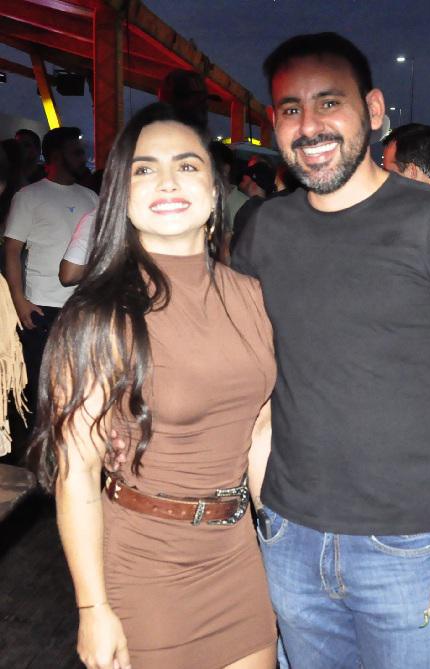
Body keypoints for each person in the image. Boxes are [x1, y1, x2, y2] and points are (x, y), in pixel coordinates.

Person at [232, 32, 430, 667]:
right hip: (288, 533)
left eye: (329, 102)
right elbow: (253, 385)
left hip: (404, 543)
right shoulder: (264, 229)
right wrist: (255, 517)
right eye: (291, 109)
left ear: (375, 109)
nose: (309, 126)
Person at [28, 103, 278, 669]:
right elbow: (76, 473)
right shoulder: (100, 315)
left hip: (237, 556)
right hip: (146, 565)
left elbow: (258, 431)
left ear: (214, 190)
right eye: (145, 169)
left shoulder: (252, 296)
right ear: (123, 195)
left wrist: (279, 544)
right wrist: (93, 608)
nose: (167, 181)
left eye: (186, 165)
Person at [4, 126, 97, 433]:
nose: (83, 158)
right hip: (42, 308)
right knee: (43, 396)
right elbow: (12, 250)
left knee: (80, 390)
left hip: (82, 308)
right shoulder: (29, 196)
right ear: (57, 155)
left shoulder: (91, 197)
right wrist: (20, 301)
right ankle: (39, 456)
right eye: (76, 152)